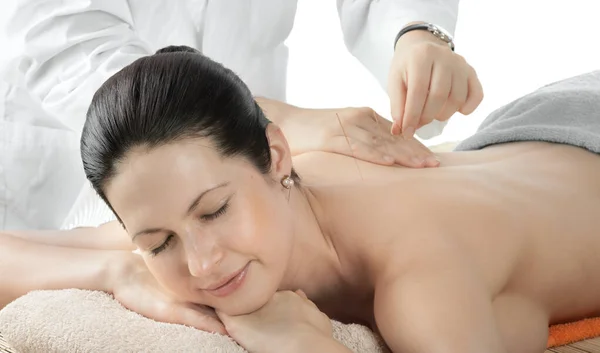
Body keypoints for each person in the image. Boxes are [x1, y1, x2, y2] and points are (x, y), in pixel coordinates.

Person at [2, 47, 599, 353]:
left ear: (277, 157)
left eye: (214, 212)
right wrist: (117, 270)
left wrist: (305, 345)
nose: (202, 262)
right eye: (157, 243)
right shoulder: (195, 210)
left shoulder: (419, 276)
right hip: (516, 145)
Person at [0, 0, 483, 230]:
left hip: (244, 173)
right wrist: (266, 118)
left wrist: (415, 33)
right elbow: (67, 43)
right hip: (54, 161)